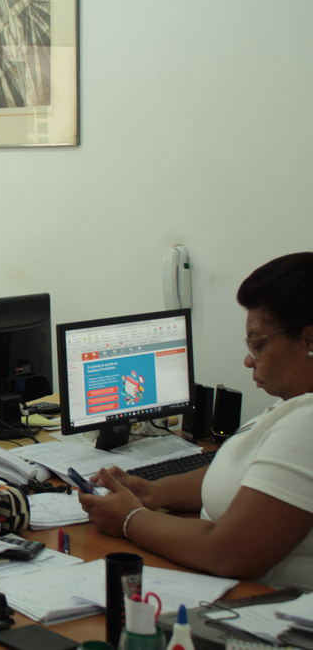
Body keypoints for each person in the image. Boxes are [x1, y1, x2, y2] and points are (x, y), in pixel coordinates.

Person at [79, 252, 313, 589]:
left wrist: (130, 519)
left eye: (258, 344)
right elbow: (247, 474)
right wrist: (152, 492)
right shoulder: (293, 404)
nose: (248, 360)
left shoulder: (307, 422)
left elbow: (230, 552)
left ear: (308, 340)